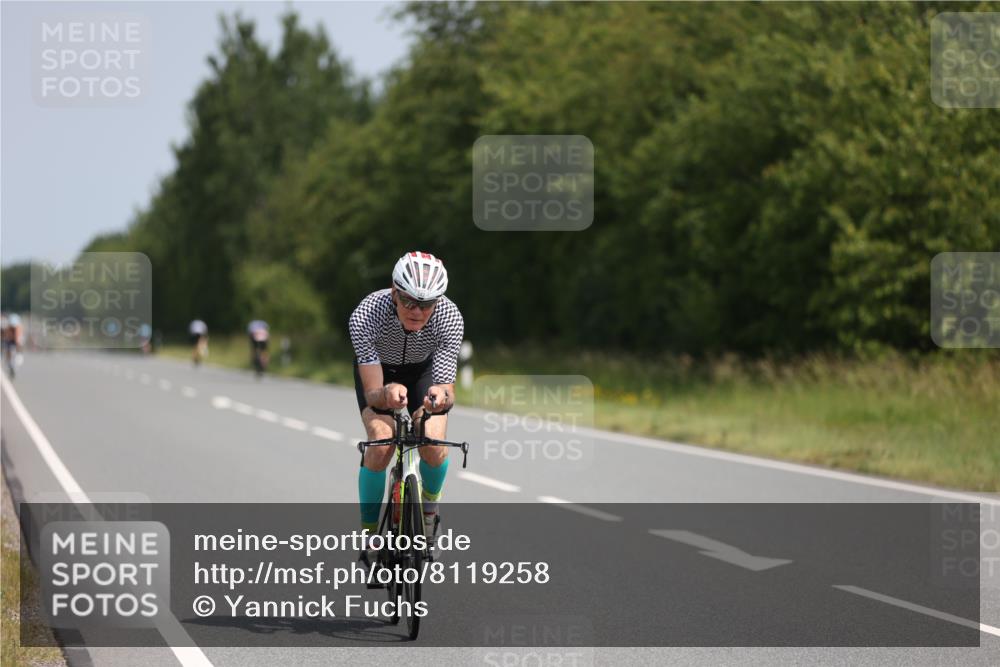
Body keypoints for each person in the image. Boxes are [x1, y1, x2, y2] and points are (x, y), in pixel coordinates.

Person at [349, 251, 464, 557]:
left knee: (433, 442)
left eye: (426, 304)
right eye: (409, 301)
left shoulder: (449, 316)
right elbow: (373, 392)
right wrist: (386, 393)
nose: (417, 311)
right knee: (381, 443)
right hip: (380, 373)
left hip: (424, 372)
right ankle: (370, 533)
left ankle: (429, 514)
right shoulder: (367, 314)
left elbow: (446, 388)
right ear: (394, 292)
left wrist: (439, 398)